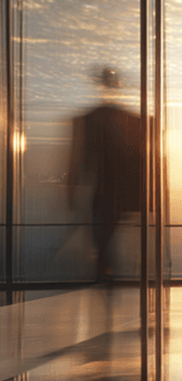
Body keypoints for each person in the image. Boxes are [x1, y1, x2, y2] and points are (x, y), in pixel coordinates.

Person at [68, 67, 141, 282]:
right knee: (105, 241)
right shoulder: (129, 121)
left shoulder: (90, 120)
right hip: (118, 194)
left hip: (102, 193)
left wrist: (71, 192)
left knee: (102, 240)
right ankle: (107, 276)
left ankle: (105, 275)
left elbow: (78, 160)